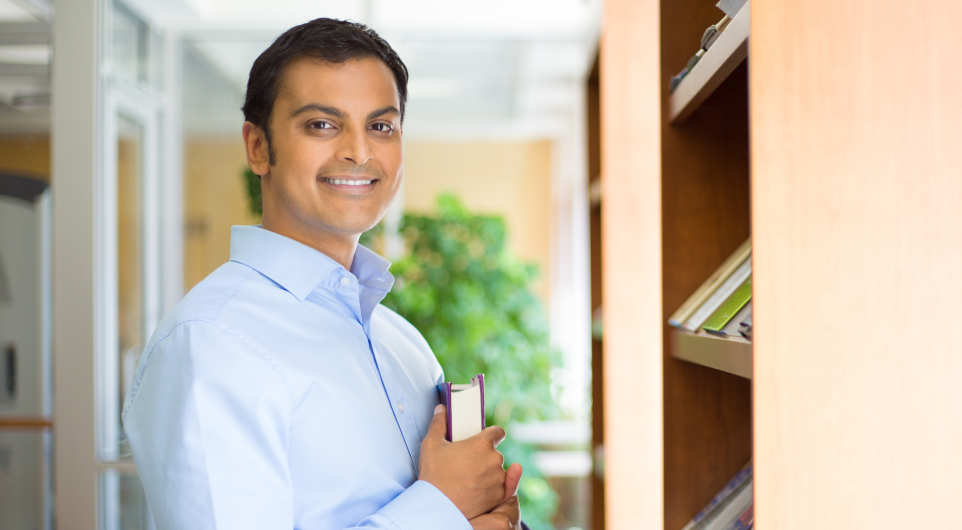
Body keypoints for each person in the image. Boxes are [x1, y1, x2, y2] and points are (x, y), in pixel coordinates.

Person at [122, 18, 523, 530]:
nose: (359, 151)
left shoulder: (403, 344)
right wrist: (444, 511)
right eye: (322, 125)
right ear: (257, 147)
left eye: (381, 126)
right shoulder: (211, 343)